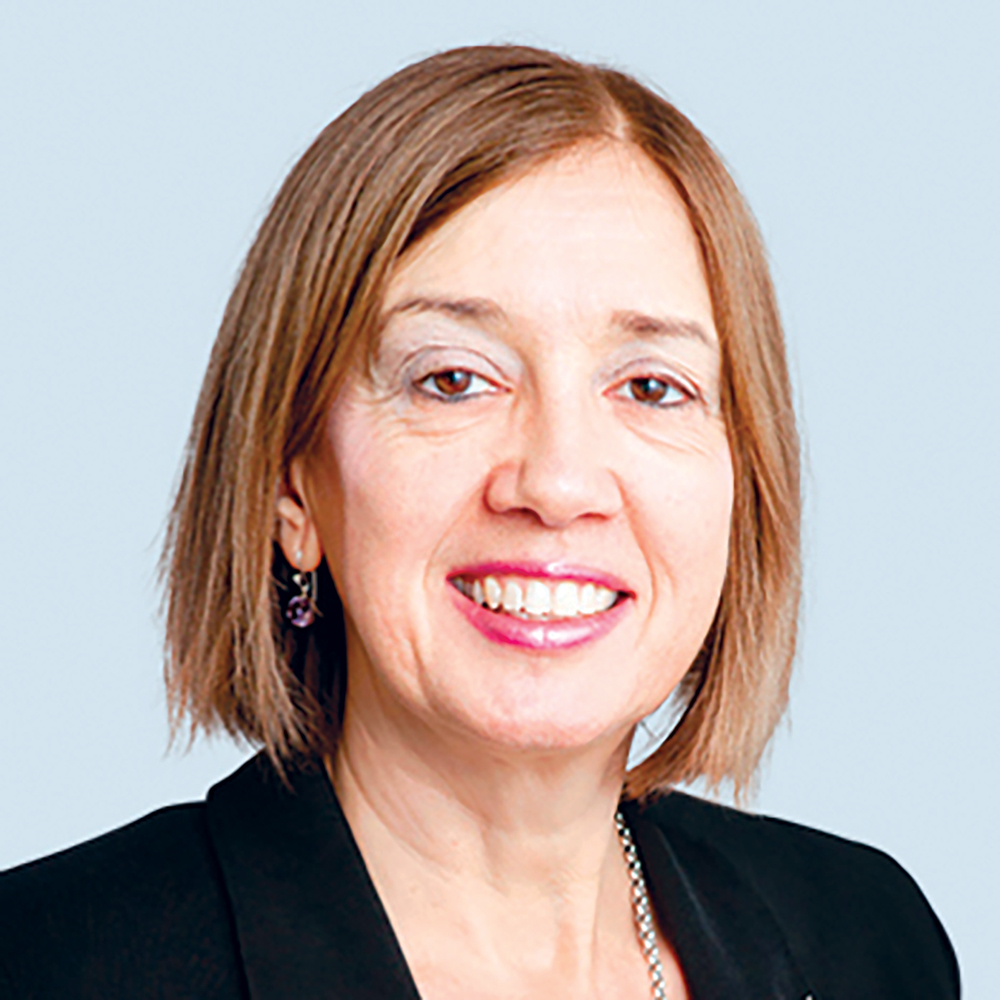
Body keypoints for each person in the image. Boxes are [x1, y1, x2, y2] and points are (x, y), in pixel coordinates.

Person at [0, 45, 959, 1000]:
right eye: (453, 379)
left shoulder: (866, 942)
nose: (558, 482)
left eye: (651, 387)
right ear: (294, 490)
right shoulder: (47, 963)